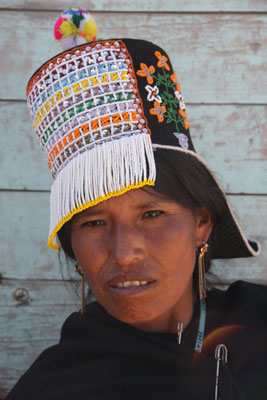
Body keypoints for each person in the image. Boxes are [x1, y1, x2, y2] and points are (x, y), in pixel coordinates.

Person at [6, 8, 267, 400]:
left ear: (202, 223)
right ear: (72, 245)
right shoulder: (54, 387)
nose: (124, 252)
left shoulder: (258, 324)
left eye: (152, 213)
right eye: (93, 223)